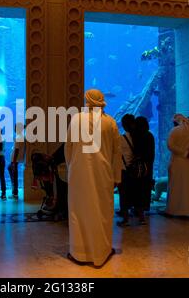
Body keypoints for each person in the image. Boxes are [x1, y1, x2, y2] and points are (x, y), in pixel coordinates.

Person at [65, 89, 122, 268]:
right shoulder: (110, 122)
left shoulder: (76, 119)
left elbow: (68, 148)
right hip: (103, 174)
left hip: (79, 173)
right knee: (102, 211)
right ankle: (102, 251)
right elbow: (116, 152)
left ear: (86, 99)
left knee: (79, 211)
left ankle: (79, 252)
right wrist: (116, 176)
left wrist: (71, 167)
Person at [132, 116, 155, 224]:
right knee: (145, 188)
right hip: (147, 167)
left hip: (136, 167)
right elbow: (151, 153)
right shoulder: (150, 135)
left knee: (136, 188)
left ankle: (136, 209)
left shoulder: (134, 135)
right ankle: (143, 210)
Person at [116, 114, 135, 224]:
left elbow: (117, 154)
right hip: (135, 169)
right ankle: (136, 214)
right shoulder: (138, 137)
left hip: (124, 169)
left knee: (123, 193)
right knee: (133, 191)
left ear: (123, 125)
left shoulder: (121, 138)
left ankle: (125, 218)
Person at [8, 122, 26, 200]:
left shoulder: (18, 137)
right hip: (16, 159)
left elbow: (17, 150)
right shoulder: (21, 136)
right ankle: (14, 189)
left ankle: (15, 193)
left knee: (14, 175)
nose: (14, 129)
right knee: (10, 169)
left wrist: (14, 161)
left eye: (15, 128)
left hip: (15, 159)